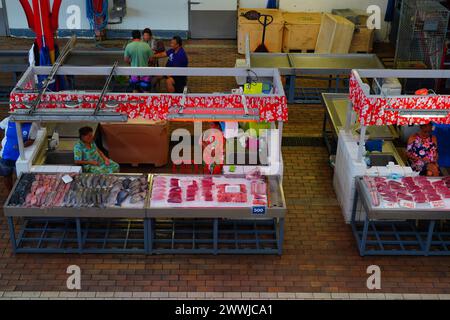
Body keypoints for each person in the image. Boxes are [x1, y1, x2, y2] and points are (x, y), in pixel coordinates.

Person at [0, 117, 39, 190]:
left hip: (20, 158)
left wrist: (22, 145)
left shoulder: (33, 125)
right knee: (6, 175)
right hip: (5, 155)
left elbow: (32, 140)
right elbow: (1, 127)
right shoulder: (8, 120)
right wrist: (3, 141)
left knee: (21, 177)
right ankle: (10, 191)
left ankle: (20, 192)